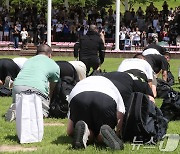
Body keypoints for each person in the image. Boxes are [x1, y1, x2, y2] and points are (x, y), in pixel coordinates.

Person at [67, 75, 125, 150]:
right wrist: (117, 133)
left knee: (87, 129)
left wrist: (72, 132)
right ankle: (102, 135)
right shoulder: (112, 85)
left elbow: (70, 130)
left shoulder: (80, 84)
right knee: (102, 134)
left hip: (79, 97)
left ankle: (86, 132)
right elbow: (121, 112)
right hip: (105, 99)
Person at [5, 44, 60, 122]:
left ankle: (16, 109)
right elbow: (52, 87)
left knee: (22, 103)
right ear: (50, 55)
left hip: (17, 87)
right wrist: (49, 100)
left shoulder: (28, 61)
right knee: (42, 112)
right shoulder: (54, 65)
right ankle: (19, 113)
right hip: (36, 89)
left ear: (36, 53)